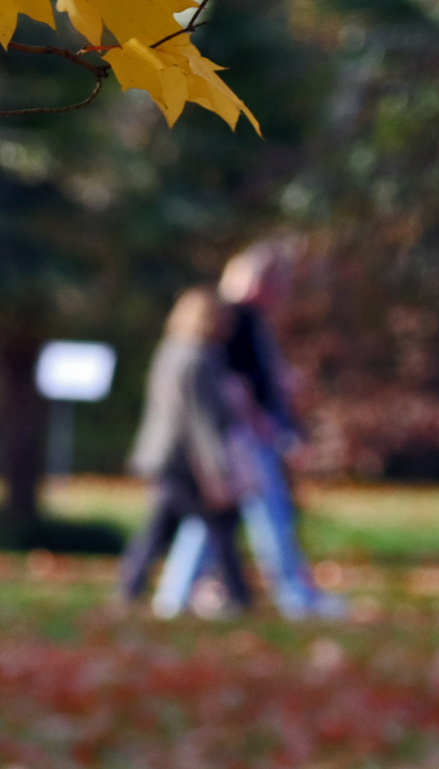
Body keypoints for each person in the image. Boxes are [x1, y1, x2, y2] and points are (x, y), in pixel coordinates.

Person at [154, 243, 345, 620]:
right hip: (242, 438)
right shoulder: (231, 318)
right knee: (266, 517)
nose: (276, 293)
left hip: (246, 435)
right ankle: (294, 596)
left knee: (212, 521)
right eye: (271, 282)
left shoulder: (248, 318)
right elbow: (231, 385)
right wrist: (267, 427)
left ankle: (174, 596)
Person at [117, 286, 252, 615]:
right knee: (220, 524)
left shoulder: (170, 351)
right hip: (186, 461)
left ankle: (129, 591)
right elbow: (200, 422)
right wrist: (219, 471)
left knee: (159, 530)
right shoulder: (199, 358)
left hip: (163, 455)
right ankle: (238, 597)